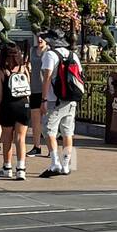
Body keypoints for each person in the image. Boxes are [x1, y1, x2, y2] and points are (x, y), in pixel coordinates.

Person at [39, 30, 80, 178]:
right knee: (67, 132)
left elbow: (47, 77)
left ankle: (55, 162)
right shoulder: (72, 55)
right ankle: (66, 165)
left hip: (53, 100)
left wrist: (43, 99)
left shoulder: (50, 55)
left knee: (48, 130)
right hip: (70, 100)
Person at [0, 44, 31, 180]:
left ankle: (7, 167)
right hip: (23, 105)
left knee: (7, 138)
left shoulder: (2, 73)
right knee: (21, 138)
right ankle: (21, 168)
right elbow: (29, 87)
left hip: (8, 106)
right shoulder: (23, 69)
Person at [29, 33, 46, 156]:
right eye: (38, 37)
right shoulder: (32, 50)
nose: (39, 39)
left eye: (42, 37)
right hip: (34, 88)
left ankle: (51, 149)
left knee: (48, 121)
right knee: (35, 120)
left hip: (47, 90)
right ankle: (36, 146)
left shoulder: (50, 52)